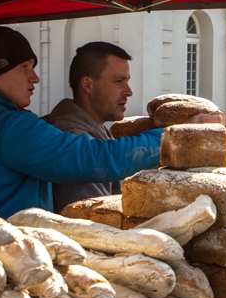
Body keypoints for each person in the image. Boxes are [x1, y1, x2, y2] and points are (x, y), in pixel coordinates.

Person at [0, 27, 165, 219]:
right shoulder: (5, 126)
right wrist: (169, 138)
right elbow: (92, 159)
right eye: (25, 67)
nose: (35, 77)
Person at [44, 42, 155, 212]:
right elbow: (97, 220)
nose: (128, 91)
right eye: (119, 81)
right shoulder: (73, 136)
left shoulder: (93, 129)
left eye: (127, 81)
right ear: (87, 85)